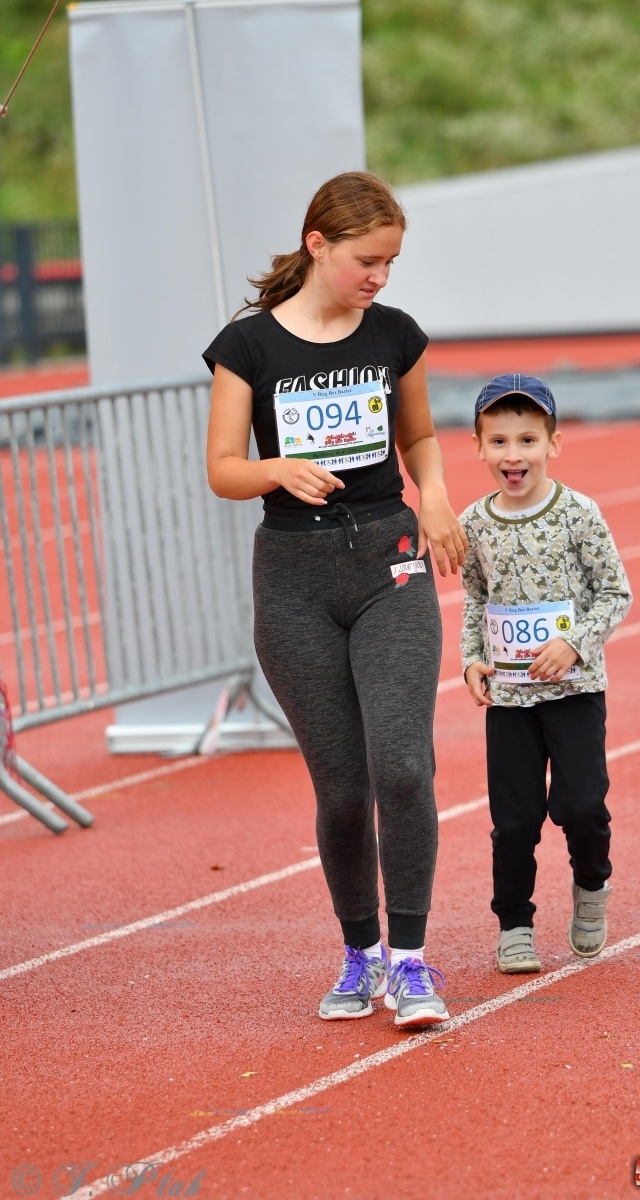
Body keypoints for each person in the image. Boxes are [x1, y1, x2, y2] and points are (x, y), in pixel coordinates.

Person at [203, 171, 467, 1027]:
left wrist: (432, 495)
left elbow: (420, 436)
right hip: (294, 579)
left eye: (391, 263)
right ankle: (361, 954)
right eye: (367, 260)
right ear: (318, 244)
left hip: (389, 563)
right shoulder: (248, 348)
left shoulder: (395, 335)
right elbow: (222, 469)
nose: (380, 278)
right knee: (344, 790)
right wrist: (276, 469)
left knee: (403, 766)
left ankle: (414, 962)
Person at [459, 374, 632, 973]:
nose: (514, 455)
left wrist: (574, 644)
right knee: (513, 821)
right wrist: (471, 659)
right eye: (500, 441)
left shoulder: (579, 513)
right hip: (509, 696)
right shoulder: (473, 523)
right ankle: (514, 923)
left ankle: (591, 887)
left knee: (582, 806)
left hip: (575, 690)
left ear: (553, 444)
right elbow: (475, 598)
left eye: (528, 440)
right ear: (478, 447)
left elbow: (615, 592)